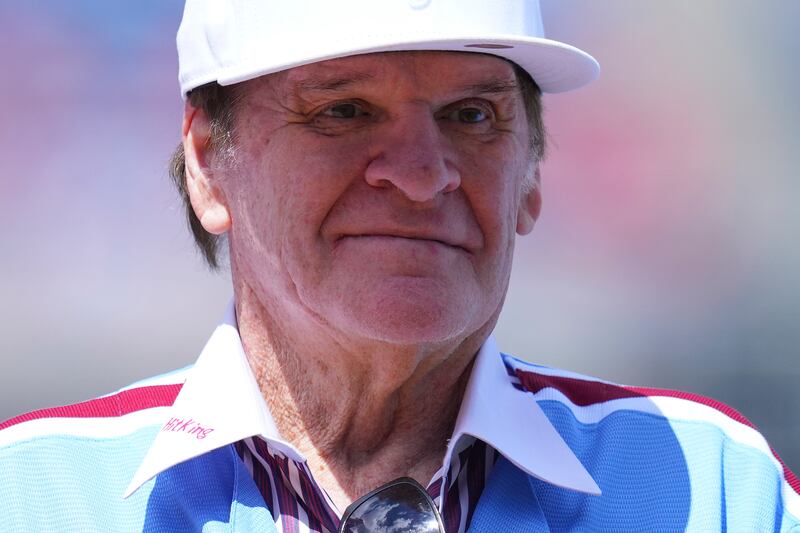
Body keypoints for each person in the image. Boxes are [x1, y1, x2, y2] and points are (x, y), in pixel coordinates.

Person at [1, 0, 798, 531]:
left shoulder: (718, 488)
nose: (421, 173)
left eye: (471, 115)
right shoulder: (32, 495)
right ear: (210, 165)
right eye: (343, 111)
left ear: (531, 174)